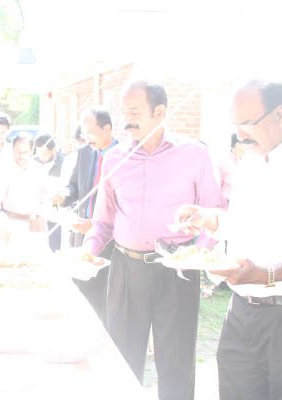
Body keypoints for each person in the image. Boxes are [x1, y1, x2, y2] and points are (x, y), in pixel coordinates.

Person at [83, 81, 223, 399]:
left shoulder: (195, 155)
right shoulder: (115, 157)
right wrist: (88, 250)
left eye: (134, 112)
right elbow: (103, 221)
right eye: (124, 112)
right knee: (121, 361)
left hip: (177, 271)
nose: (127, 120)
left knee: (176, 364)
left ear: (160, 112)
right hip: (126, 270)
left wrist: (197, 256)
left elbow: (214, 212)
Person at [176, 80, 282, 400]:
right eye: (236, 125)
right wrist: (211, 219)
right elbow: (246, 226)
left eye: (248, 123)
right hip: (241, 314)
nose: (240, 135)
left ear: (280, 114)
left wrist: (267, 274)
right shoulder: (251, 163)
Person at [53, 108, 117, 324]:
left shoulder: (123, 156)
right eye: (84, 132)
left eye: (91, 132)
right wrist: (63, 195)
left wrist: (96, 224)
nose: (87, 137)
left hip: (109, 238)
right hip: (80, 233)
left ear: (107, 129)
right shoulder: (84, 153)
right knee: (80, 292)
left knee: (103, 296)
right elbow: (74, 187)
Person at [0, 133, 51, 233]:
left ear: (31, 151)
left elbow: (48, 197)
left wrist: (42, 216)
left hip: (36, 223)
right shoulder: (3, 170)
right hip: (10, 222)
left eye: (25, 152)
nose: (21, 155)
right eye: (17, 151)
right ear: (12, 150)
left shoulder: (38, 169)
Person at [34, 133, 65, 250]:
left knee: (54, 246)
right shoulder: (34, 162)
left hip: (55, 209)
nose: (40, 157)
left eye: (44, 153)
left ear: (53, 150)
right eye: (38, 152)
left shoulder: (64, 163)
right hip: (37, 210)